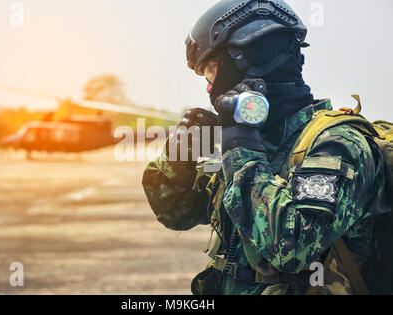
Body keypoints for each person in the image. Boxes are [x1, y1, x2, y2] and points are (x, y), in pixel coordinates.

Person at [142, 0, 391, 295]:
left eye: (211, 70)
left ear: (246, 59)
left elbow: (294, 247)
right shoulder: (258, 142)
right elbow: (175, 212)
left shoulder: (336, 143)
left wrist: (240, 148)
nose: (209, 87)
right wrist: (180, 154)